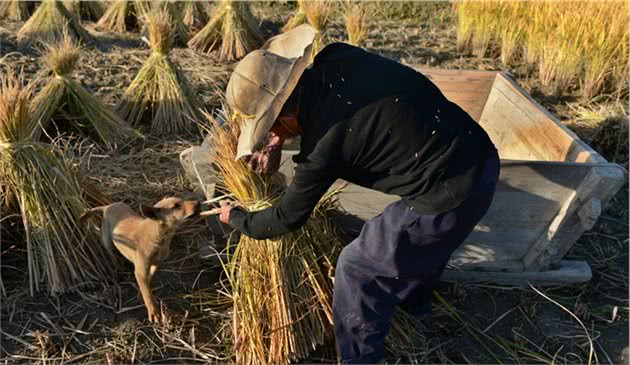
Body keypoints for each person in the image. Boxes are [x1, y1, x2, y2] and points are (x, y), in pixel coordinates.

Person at [213, 24, 500, 363]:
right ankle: (414, 308)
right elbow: (326, 110)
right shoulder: (338, 57)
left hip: (449, 194)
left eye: (272, 125)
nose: (272, 133)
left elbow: (286, 218)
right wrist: (280, 137)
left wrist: (239, 218)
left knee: (357, 268)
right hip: (479, 154)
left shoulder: (323, 148)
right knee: (412, 244)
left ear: (285, 115)